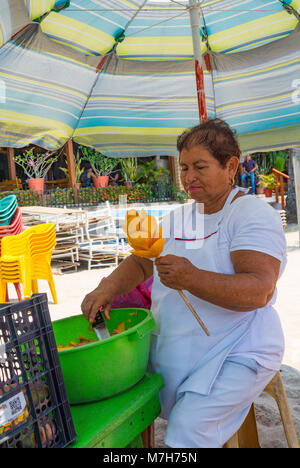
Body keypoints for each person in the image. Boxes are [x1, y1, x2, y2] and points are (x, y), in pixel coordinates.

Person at [81, 119, 287, 448]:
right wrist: (105, 288)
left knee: (188, 431)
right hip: (183, 348)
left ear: (230, 166)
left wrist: (191, 277)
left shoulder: (250, 213)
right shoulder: (180, 218)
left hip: (238, 348)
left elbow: (258, 290)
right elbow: (140, 260)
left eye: (200, 166)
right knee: (120, 399)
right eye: (184, 167)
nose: (189, 177)